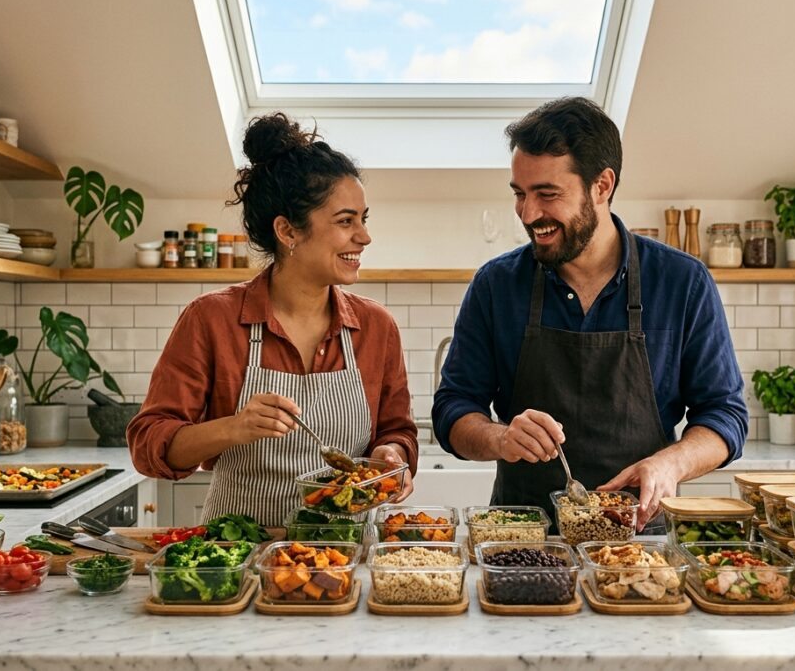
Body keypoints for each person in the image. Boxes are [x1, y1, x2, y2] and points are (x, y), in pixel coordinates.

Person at [432, 97, 747, 530]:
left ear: (602, 185)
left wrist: (672, 462)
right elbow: (453, 410)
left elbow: (725, 415)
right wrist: (500, 438)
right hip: (522, 538)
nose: (528, 214)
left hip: (640, 541)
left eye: (547, 194)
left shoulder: (682, 282)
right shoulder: (496, 285)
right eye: (520, 195)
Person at [128, 113, 417, 527]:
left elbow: (398, 430)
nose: (364, 236)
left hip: (343, 558)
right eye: (345, 221)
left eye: (363, 219)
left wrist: (393, 456)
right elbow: (148, 445)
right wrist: (234, 427)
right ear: (287, 231)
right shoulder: (212, 319)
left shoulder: (376, 327)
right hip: (236, 555)